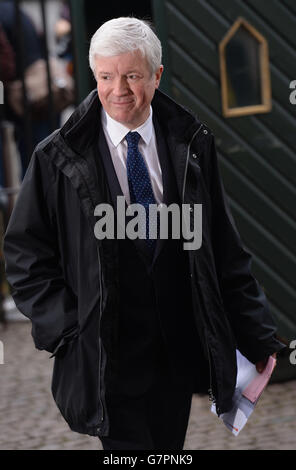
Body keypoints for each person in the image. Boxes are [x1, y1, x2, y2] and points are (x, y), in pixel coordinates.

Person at [3, 17, 285, 450]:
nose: (119, 90)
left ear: (156, 75)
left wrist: (256, 331)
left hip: (174, 356)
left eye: (133, 76)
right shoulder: (55, 157)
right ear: (94, 73)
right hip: (105, 358)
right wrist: (68, 331)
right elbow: (25, 254)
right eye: (106, 76)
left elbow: (223, 247)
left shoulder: (191, 144)